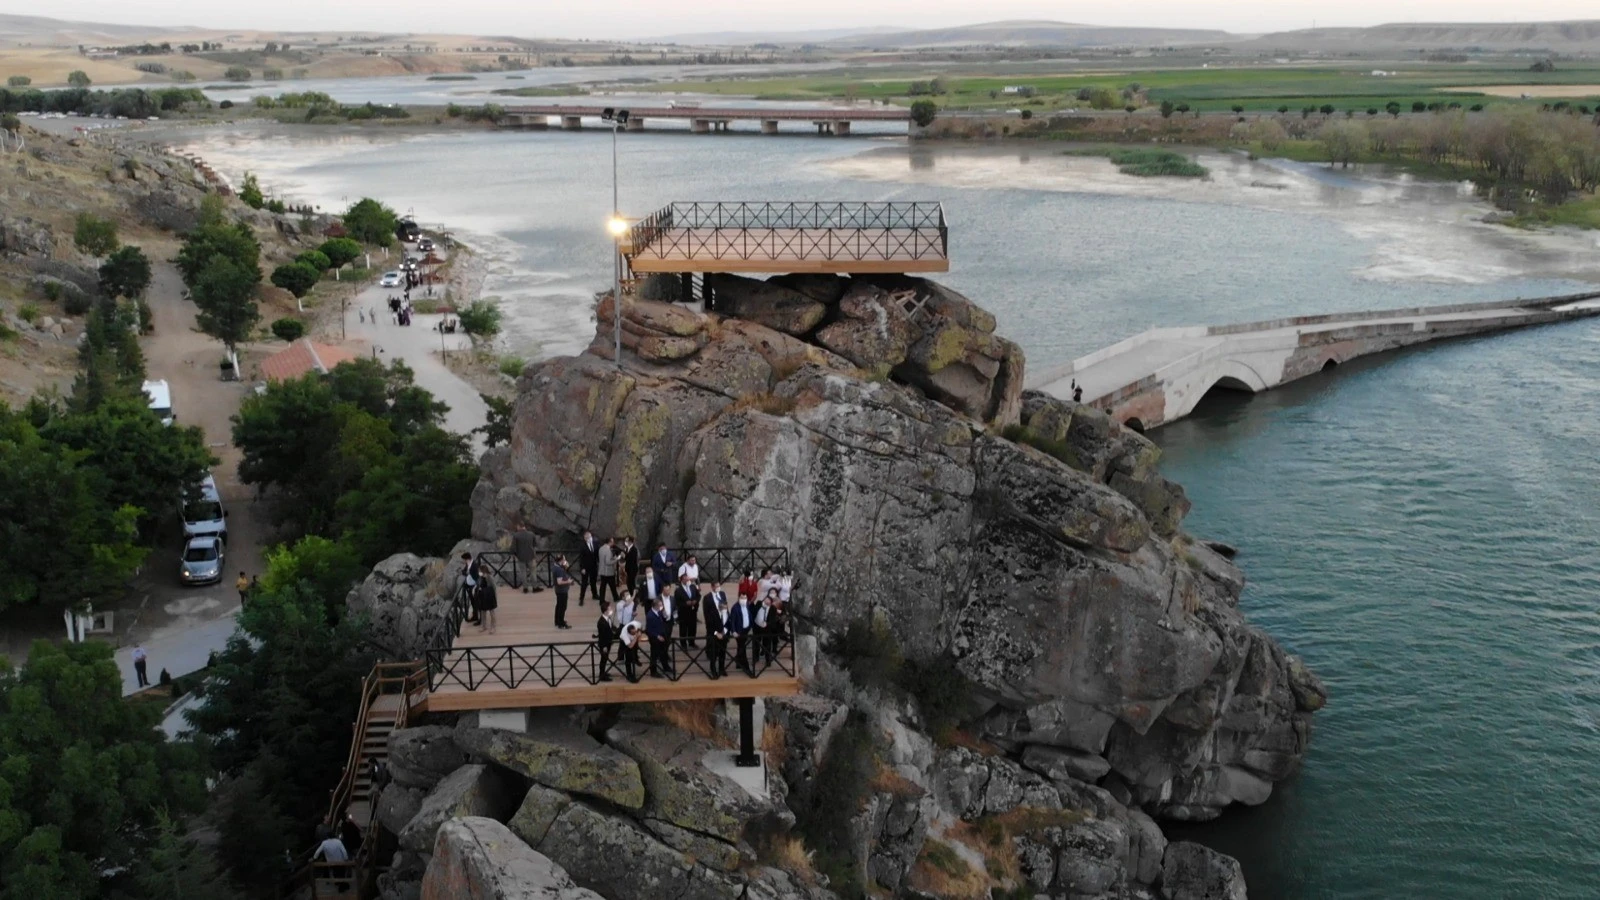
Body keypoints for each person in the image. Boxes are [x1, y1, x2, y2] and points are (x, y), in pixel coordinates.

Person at [702, 584, 729, 679]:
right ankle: (713, 670)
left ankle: (721, 669)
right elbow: (709, 623)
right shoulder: (712, 612)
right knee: (713, 654)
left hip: (724, 634)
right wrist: (716, 633)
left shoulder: (725, 611)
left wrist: (725, 632)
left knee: (723, 653)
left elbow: (727, 622)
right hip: (714, 635)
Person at [645, 597, 673, 678]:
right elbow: (649, 630)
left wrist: (664, 612)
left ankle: (666, 667)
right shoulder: (650, 615)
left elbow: (665, 618)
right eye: (660, 605)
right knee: (654, 655)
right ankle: (653, 672)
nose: (662, 607)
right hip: (655, 638)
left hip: (662, 634)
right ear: (655, 606)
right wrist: (657, 636)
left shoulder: (659, 612)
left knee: (664, 653)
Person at [728, 594, 753, 675]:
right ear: (738, 598)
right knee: (742, 648)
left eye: (745, 598)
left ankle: (738, 663)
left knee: (740, 647)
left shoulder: (747, 605)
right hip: (739, 631)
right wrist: (734, 631)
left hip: (746, 630)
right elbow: (732, 620)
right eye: (742, 598)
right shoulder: (735, 608)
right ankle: (746, 667)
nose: (744, 599)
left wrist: (750, 627)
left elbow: (749, 616)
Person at [673, 575, 699, 649]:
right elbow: (677, 602)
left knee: (693, 628)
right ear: (681, 580)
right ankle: (683, 644)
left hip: (693, 611)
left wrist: (695, 601)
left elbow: (698, 596)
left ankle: (691, 642)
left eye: (688, 579)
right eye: (685, 579)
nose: (687, 581)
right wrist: (685, 604)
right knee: (683, 629)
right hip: (683, 612)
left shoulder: (693, 587)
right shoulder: (678, 590)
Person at [595, 598, 618, 682]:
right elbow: (602, 636)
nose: (611, 610)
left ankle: (603, 672)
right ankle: (602, 675)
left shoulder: (608, 618)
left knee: (605, 658)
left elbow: (611, 627)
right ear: (605, 611)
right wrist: (604, 646)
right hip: (604, 644)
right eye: (610, 609)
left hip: (608, 642)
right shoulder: (601, 622)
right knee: (603, 659)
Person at [577, 530, 599, 607]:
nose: (589, 538)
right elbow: (581, 558)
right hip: (585, 567)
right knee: (584, 583)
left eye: (590, 537)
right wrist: (582, 568)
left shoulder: (595, 544)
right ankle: (581, 598)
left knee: (593, 581)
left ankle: (595, 594)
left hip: (594, 566)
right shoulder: (582, 546)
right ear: (584, 538)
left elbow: (597, 554)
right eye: (587, 537)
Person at [512, 523, 536, 591]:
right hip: (531, 556)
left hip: (520, 556)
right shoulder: (531, 534)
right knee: (533, 572)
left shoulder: (516, 535)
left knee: (523, 572)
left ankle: (525, 588)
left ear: (519, 527)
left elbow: (513, 547)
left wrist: (513, 554)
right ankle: (534, 587)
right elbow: (534, 545)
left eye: (517, 527)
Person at [551, 554, 573, 629]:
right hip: (562, 591)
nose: (565, 560)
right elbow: (559, 582)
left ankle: (557, 621)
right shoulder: (559, 570)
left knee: (558, 605)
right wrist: (568, 581)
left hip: (558, 590)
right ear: (561, 560)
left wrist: (565, 566)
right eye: (564, 559)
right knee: (563, 607)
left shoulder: (556, 566)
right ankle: (561, 623)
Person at [619, 616, 643, 682]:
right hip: (625, 642)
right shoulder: (624, 635)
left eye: (634, 632)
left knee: (635, 649)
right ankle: (629, 675)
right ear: (629, 632)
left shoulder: (636, 624)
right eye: (632, 633)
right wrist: (636, 637)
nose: (634, 633)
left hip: (633, 639)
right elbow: (630, 646)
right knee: (628, 657)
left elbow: (641, 627)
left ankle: (635, 659)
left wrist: (639, 633)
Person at [597, 537, 620, 604]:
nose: (613, 543)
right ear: (609, 542)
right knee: (612, 585)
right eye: (612, 541)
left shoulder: (601, 548)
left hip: (602, 570)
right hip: (608, 572)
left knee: (603, 587)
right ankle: (616, 597)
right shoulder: (608, 550)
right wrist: (616, 559)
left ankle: (601, 600)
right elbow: (608, 562)